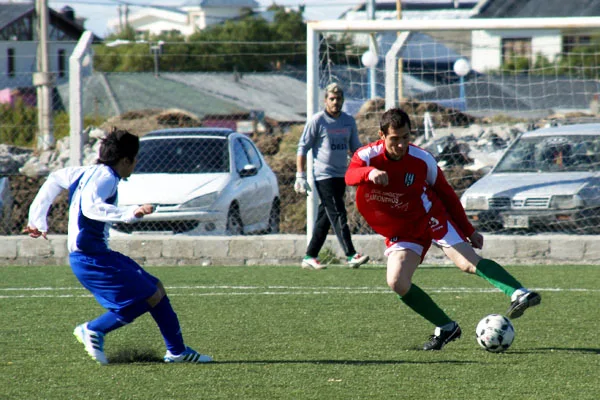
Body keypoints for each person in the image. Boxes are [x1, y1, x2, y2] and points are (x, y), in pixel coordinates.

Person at [345, 108, 541, 350]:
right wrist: (370, 172)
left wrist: (469, 230)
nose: (401, 144)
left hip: (430, 216)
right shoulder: (367, 156)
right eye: (395, 139)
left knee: (467, 262)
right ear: (382, 136)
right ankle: (447, 328)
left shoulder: (421, 159)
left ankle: (518, 293)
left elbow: (447, 194)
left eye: (406, 137)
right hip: (403, 230)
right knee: (397, 281)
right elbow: (350, 175)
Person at [24, 128, 212, 365]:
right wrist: (131, 212)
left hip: (97, 256)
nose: (135, 166)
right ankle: (94, 329)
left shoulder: (85, 172)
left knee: (156, 288)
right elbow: (90, 207)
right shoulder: (106, 178)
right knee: (148, 295)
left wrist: (37, 220)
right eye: (135, 160)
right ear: (125, 160)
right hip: (91, 259)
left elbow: (53, 180)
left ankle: (177, 351)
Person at [295, 82, 369, 270]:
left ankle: (310, 256)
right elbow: (303, 147)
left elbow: (355, 149)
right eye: (332, 99)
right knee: (338, 212)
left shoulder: (348, 121)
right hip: (323, 176)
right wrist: (300, 175)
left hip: (341, 175)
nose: (335, 102)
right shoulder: (317, 121)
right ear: (325, 100)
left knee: (326, 216)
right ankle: (351, 254)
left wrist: (366, 169)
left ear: (343, 100)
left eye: (339, 99)